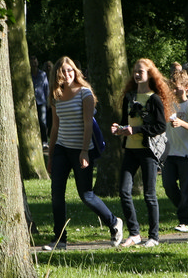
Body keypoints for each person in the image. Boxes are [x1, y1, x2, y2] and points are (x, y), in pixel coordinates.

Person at [45, 57, 123, 250]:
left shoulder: (84, 93)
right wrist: (51, 155)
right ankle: (60, 239)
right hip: (61, 149)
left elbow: (88, 124)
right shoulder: (56, 95)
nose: (67, 74)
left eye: (70, 70)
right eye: (63, 71)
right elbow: (55, 127)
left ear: (75, 71)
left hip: (81, 150)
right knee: (56, 194)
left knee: (86, 195)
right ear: (57, 74)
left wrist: (84, 152)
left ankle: (114, 222)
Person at [111, 58, 175, 248]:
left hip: (148, 151)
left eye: (141, 71)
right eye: (135, 71)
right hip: (131, 150)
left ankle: (154, 237)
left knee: (149, 195)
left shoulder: (154, 98)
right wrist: (119, 128)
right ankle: (134, 233)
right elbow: (126, 121)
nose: (137, 74)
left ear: (150, 74)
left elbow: (160, 126)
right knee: (124, 191)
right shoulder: (129, 97)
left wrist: (136, 130)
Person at [163, 70, 188, 232]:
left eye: (176, 87)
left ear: (186, 87)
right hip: (170, 153)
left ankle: (185, 222)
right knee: (168, 186)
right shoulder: (169, 105)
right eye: (171, 87)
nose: (173, 91)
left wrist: (181, 123)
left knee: (185, 189)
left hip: (187, 155)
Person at [30, 55, 49, 147]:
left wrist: (48, 101)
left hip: (41, 101)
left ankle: (44, 141)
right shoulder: (28, 75)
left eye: (35, 61)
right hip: (31, 102)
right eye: (32, 62)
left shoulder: (43, 74)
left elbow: (46, 87)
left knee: (42, 121)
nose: (34, 63)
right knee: (32, 121)